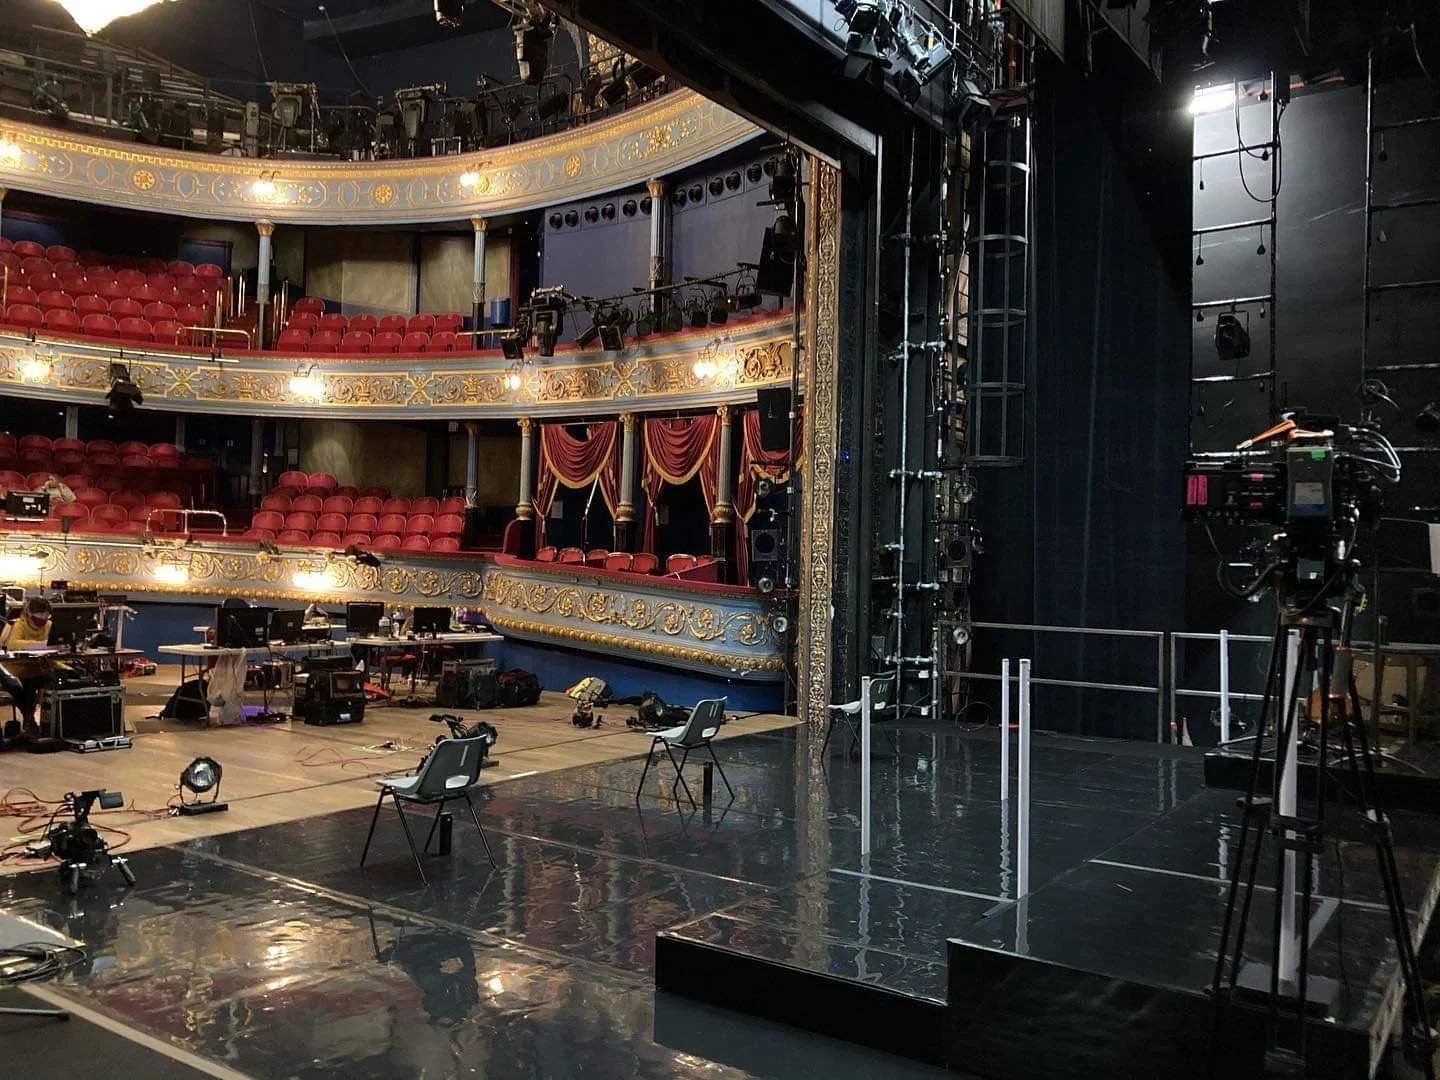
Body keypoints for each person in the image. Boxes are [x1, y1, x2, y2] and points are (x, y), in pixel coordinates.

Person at [0, 596, 53, 735]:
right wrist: (37, 645)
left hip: (41, 666)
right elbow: (12, 644)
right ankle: (29, 719)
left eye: (46, 614)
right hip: (19, 668)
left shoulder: (49, 625)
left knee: (63, 677)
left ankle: (52, 721)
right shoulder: (18, 625)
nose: (43, 618)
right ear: (30, 613)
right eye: (40, 614)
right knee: (26, 685)